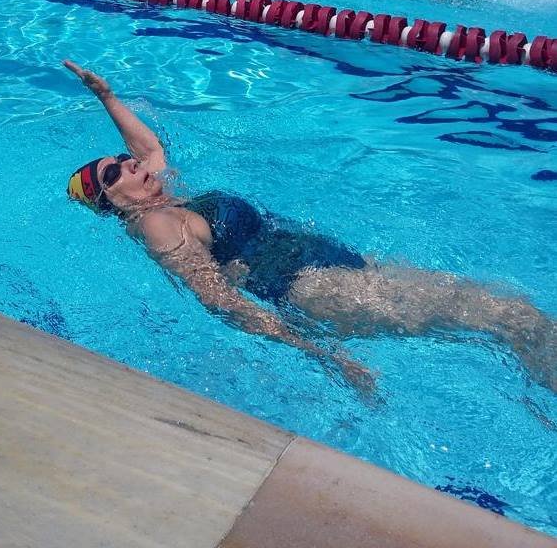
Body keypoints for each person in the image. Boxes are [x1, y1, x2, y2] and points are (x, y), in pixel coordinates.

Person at [63, 61, 557, 395]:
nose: (132, 165)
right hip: (317, 289)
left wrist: (105, 96)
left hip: (326, 261)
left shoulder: (166, 193)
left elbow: (148, 148)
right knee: (513, 320)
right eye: (115, 173)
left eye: (126, 161)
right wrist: (318, 353)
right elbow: (217, 298)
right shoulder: (157, 223)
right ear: (109, 202)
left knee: (505, 320)